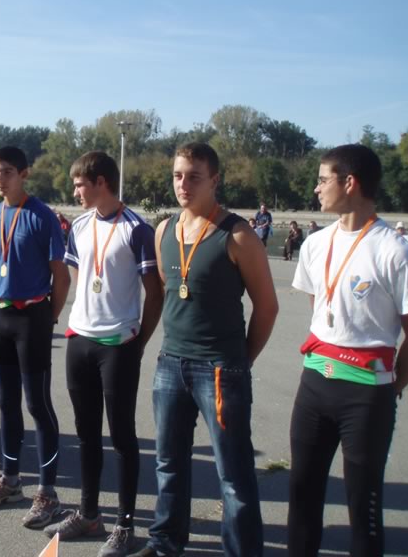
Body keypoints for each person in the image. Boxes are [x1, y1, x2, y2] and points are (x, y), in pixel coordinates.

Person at [131, 142, 278, 557]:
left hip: (219, 369)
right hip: (170, 364)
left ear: (215, 180)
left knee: (233, 473)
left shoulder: (238, 235)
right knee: (168, 463)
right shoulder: (164, 230)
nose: (184, 184)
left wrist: (240, 361)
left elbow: (267, 307)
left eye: (194, 176)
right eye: (178, 176)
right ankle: (165, 542)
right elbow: (168, 290)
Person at [288, 144, 408, 556]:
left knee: (364, 508)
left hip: (366, 396)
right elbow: (323, 313)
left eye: (322, 179)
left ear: (349, 183)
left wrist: (390, 388)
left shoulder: (394, 250)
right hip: (314, 385)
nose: (316, 188)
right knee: (302, 495)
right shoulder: (315, 244)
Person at [43, 152, 163, 557]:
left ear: (101, 182)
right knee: (86, 433)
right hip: (80, 340)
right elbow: (84, 278)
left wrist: (139, 341)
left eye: (80, 184)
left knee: (123, 437)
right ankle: (89, 514)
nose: (75, 191)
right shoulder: (79, 225)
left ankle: (125, 525)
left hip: (119, 345)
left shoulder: (137, 230)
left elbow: (155, 293)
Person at [0, 146, 71, 529]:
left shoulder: (42, 216)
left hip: (32, 317)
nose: (0, 179)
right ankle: (11, 480)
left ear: (24, 174)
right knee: (6, 403)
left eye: (8, 172)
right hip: (0, 315)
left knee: (37, 405)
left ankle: (48, 492)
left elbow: (61, 276)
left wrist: (50, 316)